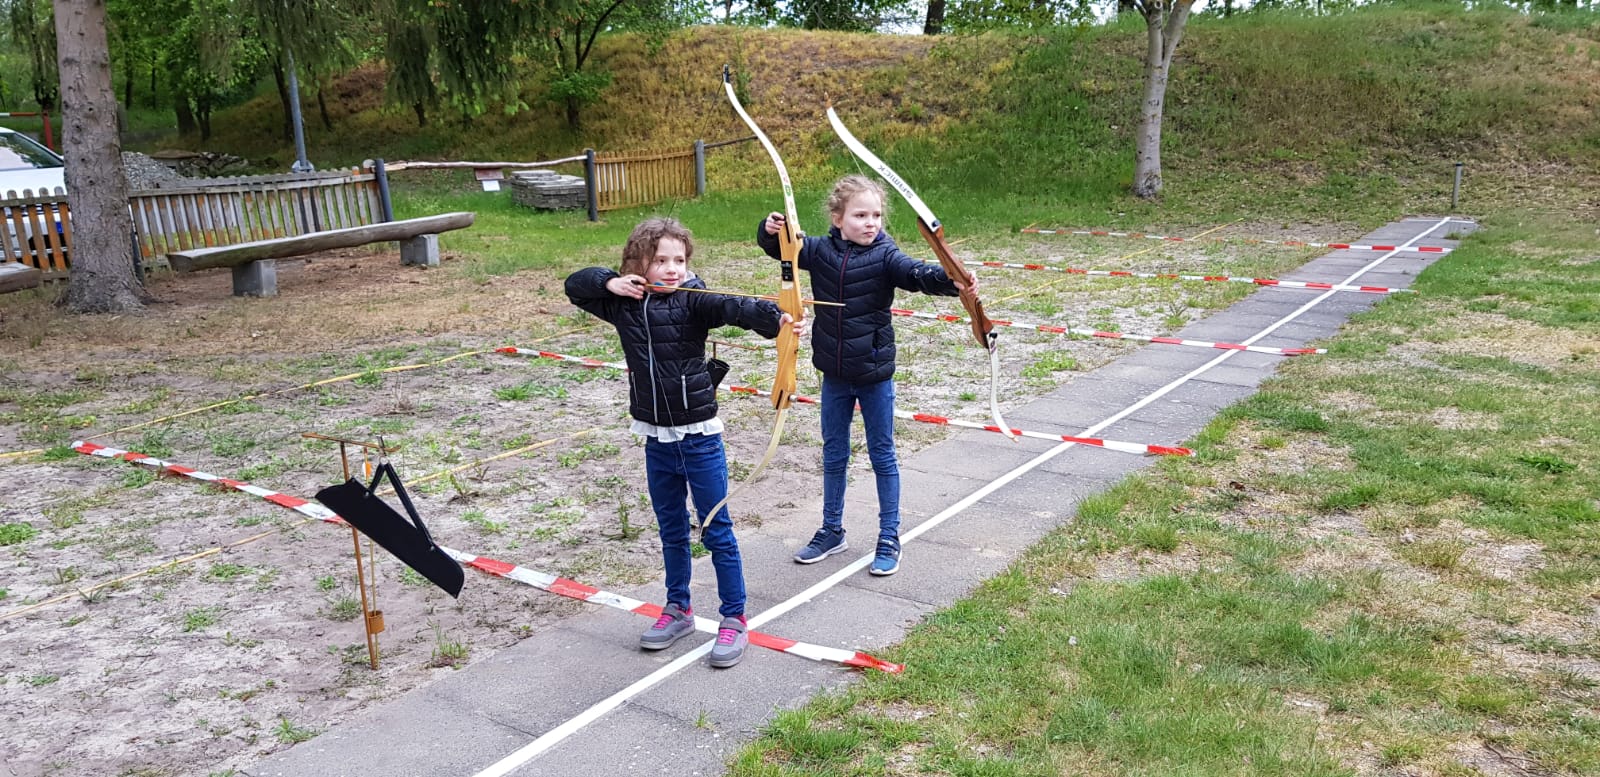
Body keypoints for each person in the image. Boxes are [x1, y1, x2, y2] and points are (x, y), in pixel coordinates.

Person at [565, 217, 788, 668]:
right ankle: (678, 608)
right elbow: (575, 285)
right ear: (637, 265)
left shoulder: (694, 300)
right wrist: (610, 283)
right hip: (655, 436)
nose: (672, 270)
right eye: (660, 261)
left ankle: (734, 618)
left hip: (699, 437)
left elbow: (734, 307)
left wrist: (780, 318)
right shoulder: (624, 305)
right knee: (671, 529)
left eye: (679, 260)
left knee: (715, 528)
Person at [757, 174, 975, 577]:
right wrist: (771, 231)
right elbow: (783, 251)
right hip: (835, 374)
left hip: (874, 374)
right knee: (834, 453)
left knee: (883, 456)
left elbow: (916, 274)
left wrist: (951, 278)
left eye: (875, 215)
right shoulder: (819, 251)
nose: (870, 222)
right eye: (860, 215)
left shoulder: (886, 255)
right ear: (838, 218)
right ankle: (831, 530)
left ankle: (889, 536)